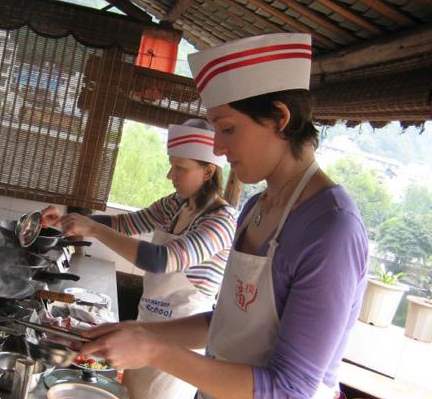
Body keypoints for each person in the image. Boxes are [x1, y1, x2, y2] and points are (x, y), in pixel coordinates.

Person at [77, 33, 369, 399]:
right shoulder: (256, 208)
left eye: (227, 128)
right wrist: (138, 333)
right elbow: (226, 326)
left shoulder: (331, 230)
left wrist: (153, 350)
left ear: (280, 118)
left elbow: (290, 389)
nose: (216, 147)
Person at [42, 118, 237, 399]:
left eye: (180, 168)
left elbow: (161, 260)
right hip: (142, 331)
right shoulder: (175, 205)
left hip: (177, 351)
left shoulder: (221, 222)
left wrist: (94, 229)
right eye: (172, 164)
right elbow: (125, 223)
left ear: (208, 171)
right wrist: (69, 221)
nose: (171, 174)